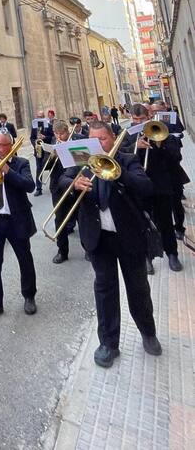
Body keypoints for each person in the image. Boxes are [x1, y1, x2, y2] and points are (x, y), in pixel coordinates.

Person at [57, 120, 162, 368]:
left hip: (128, 237)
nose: (98, 146)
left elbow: (146, 187)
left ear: (112, 139)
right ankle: (108, 343)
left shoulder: (127, 160)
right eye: (93, 141)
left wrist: (116, 172)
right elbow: (61, 179)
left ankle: (148, 332)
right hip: (98, 238)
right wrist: (73, 184)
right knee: (104, 290)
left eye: (102, 140)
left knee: (137, 288)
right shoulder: (83, 161)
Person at [0, 130, 37, 320]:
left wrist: (7, 171)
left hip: (16, 219)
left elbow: (30, 185)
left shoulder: (22, 163)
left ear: (10, 146)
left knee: (25, 258)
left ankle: (29, 296)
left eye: (1, 145)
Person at [124, 104, 183, 273]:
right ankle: (147, 257)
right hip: (138, 187)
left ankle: (172, 254)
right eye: (135, 120)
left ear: (148, 117)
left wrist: (159, 145)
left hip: (160, 185)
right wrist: (135, 148)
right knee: (142, 223)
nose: (138, 122)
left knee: (165, 221)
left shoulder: (163, 133)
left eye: (141, 119)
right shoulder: (128, 135)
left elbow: (176, 157)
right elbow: (120, 155)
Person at [150, 101, 189, 240]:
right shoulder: (149, 127)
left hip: (172, 170)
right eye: (153, 112)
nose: (155, 115)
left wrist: (169, 138)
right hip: (157, 176)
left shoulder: (171, 118)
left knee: (176, 204)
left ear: (164, 109)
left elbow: (180, 136)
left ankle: (179, 227)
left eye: (158, 111)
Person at [47, 119, 84, 263]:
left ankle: (88, 248)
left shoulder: (78, 139)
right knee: (60, 220)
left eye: (61, 133)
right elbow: (47, 166)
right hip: (58, 186)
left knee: (82, 218)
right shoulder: (53, 142)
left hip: (77, 183)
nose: (58, 137)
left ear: (67, 131)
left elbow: (85, 162)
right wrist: (52, 156)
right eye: (55, 134)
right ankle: (62, 251)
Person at [30, 110, 52, 196]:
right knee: (39, 169)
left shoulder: (49, 126)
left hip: (47, 150)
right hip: (38, 150)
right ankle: (38, 189)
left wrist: (45, 137)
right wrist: (35, 143)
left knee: (49, 167)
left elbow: (52, 137)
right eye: (38, 117)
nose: (40, 119)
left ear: (44, 117)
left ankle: (52, 186)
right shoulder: (34, 127)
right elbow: (31, 137)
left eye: (41, 117)